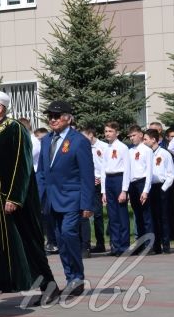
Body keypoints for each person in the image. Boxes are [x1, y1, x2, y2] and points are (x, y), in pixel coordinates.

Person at [0, 89, 59, 305]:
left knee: (29, 244)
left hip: (17, 200)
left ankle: (49, 287)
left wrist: (14, 197)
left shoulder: (14, 129)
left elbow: (21, 166)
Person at [36, 101, 97, 298]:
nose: (53, 119)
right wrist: (37, 199)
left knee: (69, 233)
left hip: (72, 197)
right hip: (52, 200)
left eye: (57, 115)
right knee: (60, 240)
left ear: (68, 118)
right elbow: (43, 174)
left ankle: (77, 277)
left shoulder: (79, 141)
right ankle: (71, 278)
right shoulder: (45, 141)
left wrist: (87, 204)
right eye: (50, 116)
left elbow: (87, 175)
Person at [101, 121, 131, 256]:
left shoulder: (123, 147)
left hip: (119, 179)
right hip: (109, 180)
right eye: (106, 131)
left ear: (117, 133)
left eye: (110, 131)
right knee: (112, 215)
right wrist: (103, 191)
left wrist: (124, 190)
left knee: (121, 214)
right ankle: (115, 245)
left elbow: (127, 169)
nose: (107, 134)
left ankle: (124, 246)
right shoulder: (106, 147)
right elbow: (103, 169)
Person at [144, 128, 173, 254]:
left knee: (163, 217)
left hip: (161, 187)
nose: (144, 142)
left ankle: (166, 244)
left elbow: (171, 175)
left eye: (146, 139)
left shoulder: (164, 154)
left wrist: (163, 189)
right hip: (150, 187)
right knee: (153, 217)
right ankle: (156, 246)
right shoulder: (146, 153)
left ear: (153, 140)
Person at [81, 125, 108, 254]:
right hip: (87, 183)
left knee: (97, 214)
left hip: (98, 183)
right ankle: (85, 243)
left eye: (84, 136)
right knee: (85, 213)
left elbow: (106, 165)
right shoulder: (83, 147)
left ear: (91, 134)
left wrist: (100, 179)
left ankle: (100, 242)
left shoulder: (103, 146)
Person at [127, 125, 154, 251]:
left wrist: (145, 190)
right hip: (133, 184)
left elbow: (149, 171)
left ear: (141, 135)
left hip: (142, 182)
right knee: (137, 215)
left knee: (146, 215)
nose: (132, 138)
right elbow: (128, 171)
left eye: (134, 135)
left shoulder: (147, 150)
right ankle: (140, 244)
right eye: (130, 136)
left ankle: (150, 245)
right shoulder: (130, 151)